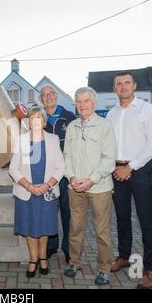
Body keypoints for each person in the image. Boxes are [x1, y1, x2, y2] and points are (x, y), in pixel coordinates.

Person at [107, 71, 152, 289]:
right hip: (116, 170)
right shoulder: (111, 114)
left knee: (146, 219)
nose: (123, 86)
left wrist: (130, 166)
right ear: (114, 89)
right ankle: (124, 256)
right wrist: (115, 167)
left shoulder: (146, 109)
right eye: (119, 84)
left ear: (134, 85)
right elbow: (109, 145)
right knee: (121, 217)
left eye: (127, 82)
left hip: (138, 170)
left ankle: (151, 268)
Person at [62, 87, 116, 285]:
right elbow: (66, 155)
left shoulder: (105, 126)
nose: (82, 105)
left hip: (99, 188)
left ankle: (104, 269)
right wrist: (71, 177)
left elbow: (109, 159)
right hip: (75, 188)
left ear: (94, 103)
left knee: (102, 231)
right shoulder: (72, 127)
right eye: (79, 101)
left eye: (86, 101)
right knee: (75, 228)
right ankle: (74, 262)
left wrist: (91, 179)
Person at [9, 107, 65, 278]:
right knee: (30, 227)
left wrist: (47, 185)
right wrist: (30, 187)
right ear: (28, 121)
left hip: (47, 191)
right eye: (32, 118)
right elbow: (13, 169)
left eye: (39, 118)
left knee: (44, 227)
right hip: (27, 192)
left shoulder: (53, 139)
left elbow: (61, 167)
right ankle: (33, 260)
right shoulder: (21, 140)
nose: (35, 121)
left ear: (44, 121)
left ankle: (43, 259)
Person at [39, 85, 76, 263]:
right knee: (49, 212)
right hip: (47, 176)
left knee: (68, 213)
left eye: (51, 94)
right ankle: (51, 247)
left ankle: (68, 249)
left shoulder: (69, 117)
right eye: (44, 95)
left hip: (66, 175)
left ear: (56, 96)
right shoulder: (38, 118)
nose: (48, 97)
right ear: (40, 99)